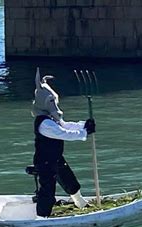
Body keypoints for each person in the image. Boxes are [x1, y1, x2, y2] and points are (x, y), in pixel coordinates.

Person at [32, 67, 96, 218]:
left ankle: (80, 202)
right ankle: (42, 217)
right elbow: (64, 133)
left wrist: (83, 125)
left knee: (68, 179)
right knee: (47, 190)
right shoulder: (44, 124)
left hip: (55, 157)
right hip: (45, 162)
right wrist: (84, 133)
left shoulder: (52, 120)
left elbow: (65, 125)